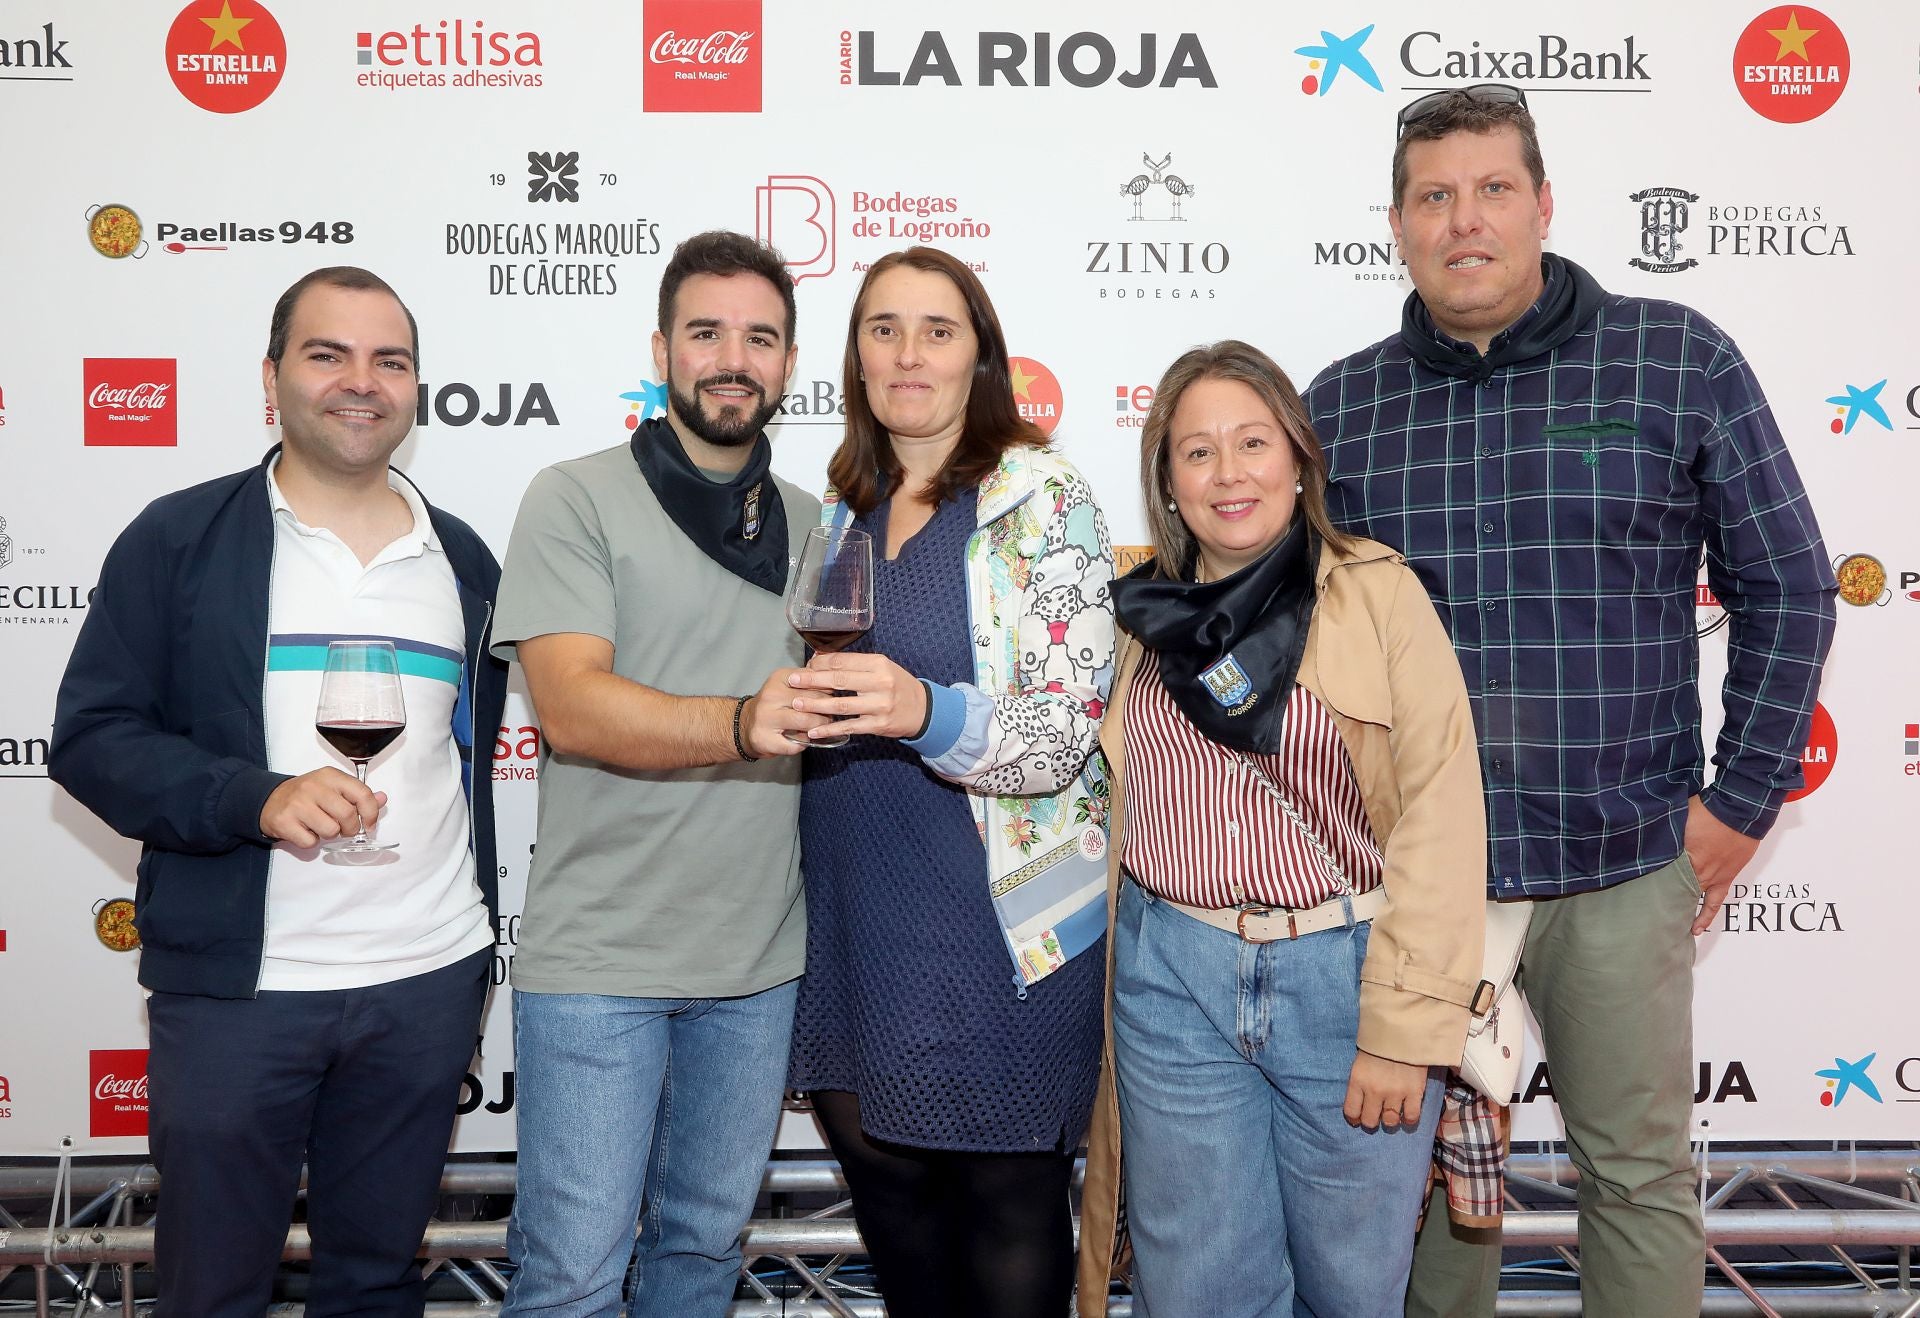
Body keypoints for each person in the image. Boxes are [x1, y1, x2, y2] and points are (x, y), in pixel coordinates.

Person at [1304, 86, 1837, 1317]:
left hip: (1623, 856)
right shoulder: (1341, 406)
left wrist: (1742, 802)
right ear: (1396, 223)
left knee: (1638, 1180)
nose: (1465, 221)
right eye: (1434, 196)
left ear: (1544, 205)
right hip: (1422, 878)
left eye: (1494, 190)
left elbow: (1792, 587)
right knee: (1430, 1185)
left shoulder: (1677, 354)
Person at [51, 266, 507, 1316]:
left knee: (378, 1282)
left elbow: (468, 759)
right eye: (328, 354)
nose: (363, 381)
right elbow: (90, 739)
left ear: (417, 388)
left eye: (390, 360)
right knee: (213, 1288)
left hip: (426, 977)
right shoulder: (178, 539)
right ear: (272, 380)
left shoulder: (464, 560)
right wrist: (250, 797)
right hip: (238, 996)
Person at [1075, 341, 1488, 1317]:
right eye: (1198, 451)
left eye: (1254, 441)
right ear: (1167, 482)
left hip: (1347, 986)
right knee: (1203, 1292)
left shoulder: (1378, 593)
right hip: (1173, 983)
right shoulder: (1136, 616)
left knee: (1351, 1292)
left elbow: (1440, 817)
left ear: (1299, 459)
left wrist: (1404, 1029)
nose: (1230, 473)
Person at [491, 230, 823, 1317]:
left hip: (757, 965)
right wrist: (743, 721)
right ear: (661, 348)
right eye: (707, 332)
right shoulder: (575, 496)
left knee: (700, 1256)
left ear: (787, 362)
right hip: (601, 965)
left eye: (761, 337)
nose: (734, 357)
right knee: (573, 1276)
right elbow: (574, 708)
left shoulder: (818, 525)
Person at [782, 246, 1115, 1318]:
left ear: (981, 355)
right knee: (884, 1180)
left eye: (938, 328)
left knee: (1007, 1189)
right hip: (849, 897)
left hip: (994, 911)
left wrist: (926, 709)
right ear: (856, 357)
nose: (908, 352)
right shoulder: (844, 507)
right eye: (884, 328)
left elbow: (1065, 733)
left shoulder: (1039, 493)